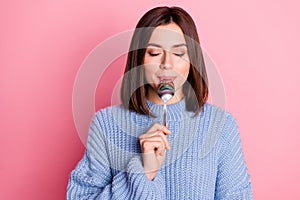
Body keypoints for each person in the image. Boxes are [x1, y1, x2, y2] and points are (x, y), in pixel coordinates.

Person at [67, 6, 253, 200]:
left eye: (179, 54)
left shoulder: (222, 126)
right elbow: (81, 196)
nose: (167, 64)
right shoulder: (106, 124)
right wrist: (143, 171)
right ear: (139, 59)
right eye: (155, 53)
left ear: (193, 60)